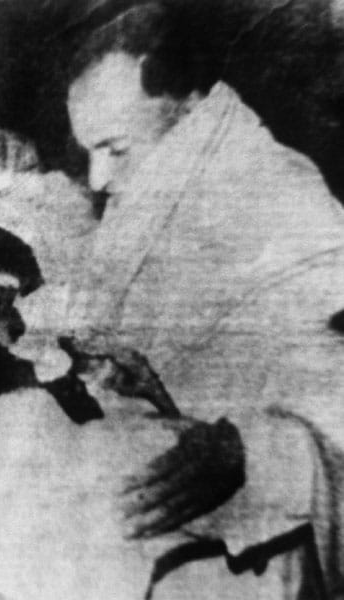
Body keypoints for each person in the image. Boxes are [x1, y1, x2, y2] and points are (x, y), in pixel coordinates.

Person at [63, 5, 344, 598]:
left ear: (187, 104)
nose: (96, 179)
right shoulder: (156, 178)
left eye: (113, 148)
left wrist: (247, 450)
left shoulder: (282, 195)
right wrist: (148, 385)